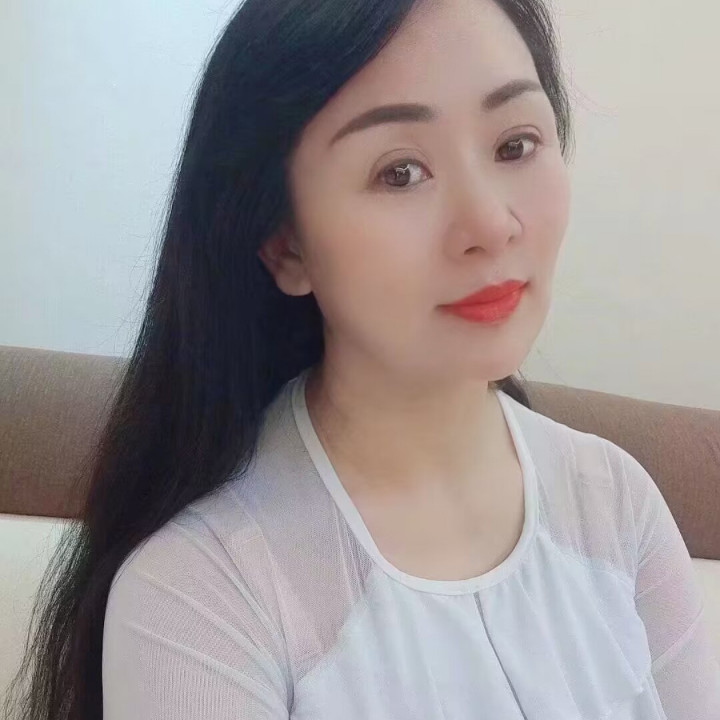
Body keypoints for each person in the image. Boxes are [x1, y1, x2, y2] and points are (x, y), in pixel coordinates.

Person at [6, 0, 720, 718]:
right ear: (286, 244)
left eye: (515, 145)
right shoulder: (200, 592)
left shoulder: (617, 505)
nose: (490, 223)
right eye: (400, 172)